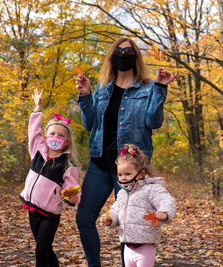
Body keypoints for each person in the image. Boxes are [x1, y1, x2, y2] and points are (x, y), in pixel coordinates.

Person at [75, 37, 177, 266]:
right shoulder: (102, 89)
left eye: (128, 51)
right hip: (100, 163)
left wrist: (160, 88)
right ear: (112, 57)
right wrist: (85, 95)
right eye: (118, 51)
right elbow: (89, 124)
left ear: (135, 57)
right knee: (84, 219)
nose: (123, 54)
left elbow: (153, 121)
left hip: (130, 167)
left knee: (129, 223)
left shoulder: (149, 87)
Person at [19, 89, 81, 267]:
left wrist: (72, 196)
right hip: (32, 208)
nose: (56, 137)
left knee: (40, 251)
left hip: (50, 214)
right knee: (45, 249)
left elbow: (72, 189)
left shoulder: (68, 166)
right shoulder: (37, 151)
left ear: (67, 141)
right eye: (52, 134)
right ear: (46, 137)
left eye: (61, 135)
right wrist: (37, 109)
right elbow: (33, 131)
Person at [101, 144, 176, 267]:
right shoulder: (122, 193)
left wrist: (165, 211)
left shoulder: (151, 189)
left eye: (127, 174)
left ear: (141, 174)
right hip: (127, 247)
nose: (123, 178)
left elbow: (166, 200)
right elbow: (115, 210)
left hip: (145, 246)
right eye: (120, 174)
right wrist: (110, 219)